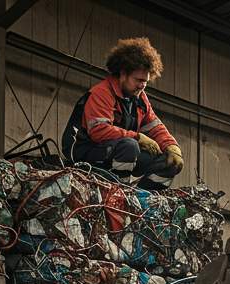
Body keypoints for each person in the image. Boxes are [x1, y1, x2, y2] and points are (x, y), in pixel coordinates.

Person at [62, 37, 184, 190]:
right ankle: (120, 195)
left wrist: (172, 147)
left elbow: (155, 127)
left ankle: (142, 200)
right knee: (130, 146)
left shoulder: (140, 99)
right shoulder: (101, 93)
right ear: (123, 74)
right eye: (138, 80)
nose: (142, 86)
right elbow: (98, 131)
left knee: (168, 162)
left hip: (117, 149)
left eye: (145, 81)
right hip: (84, 151)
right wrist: (138, 137)